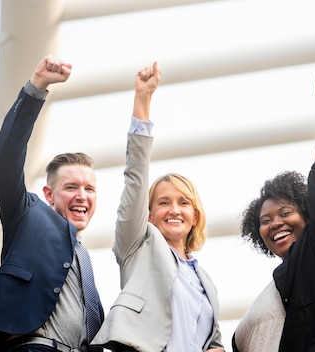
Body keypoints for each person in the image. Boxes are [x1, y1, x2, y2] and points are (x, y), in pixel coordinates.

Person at [0, 55, 104, 352]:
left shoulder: (83, 257)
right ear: (49, 194)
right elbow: (5, 159)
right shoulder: (27, 214)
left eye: (89, 188)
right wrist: (37, 87)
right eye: (71, 187)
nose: (82, 195)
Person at [91, 62, 224, 352]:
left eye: (183, 202)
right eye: (164, 202)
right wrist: (143, 99)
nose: (174, 209)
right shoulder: (138, 246)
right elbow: (136, 180)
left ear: (195, 216)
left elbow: (213, 340)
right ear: (149, 215)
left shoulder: (205, 280)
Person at [232, 71, 315, 351]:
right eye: (265, 220)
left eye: (285, 212)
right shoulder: (275, 286)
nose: (275, 223)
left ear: (307, 215)